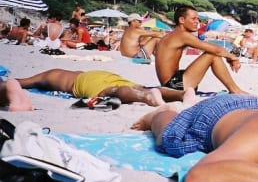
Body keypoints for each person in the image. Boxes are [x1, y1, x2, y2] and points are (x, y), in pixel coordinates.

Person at [155, 6, 247, 96]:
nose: (197, 22)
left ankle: (234, 89)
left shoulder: (173, 35)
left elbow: (211, 46)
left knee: (213, 53)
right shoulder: (182, 35)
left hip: (172, 82)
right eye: (193, 19)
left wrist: (228, 57)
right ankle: (235, 90)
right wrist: (233, 57)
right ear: (182, 20)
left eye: (198, 19)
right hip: (172, 86)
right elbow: (215, 50)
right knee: (212, 55)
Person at [1, 69, 192, 111]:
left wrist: (9, 81)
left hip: (86, 81)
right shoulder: (84, 72)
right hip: (109, 74)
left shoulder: (55, 75)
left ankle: (148, 97)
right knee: (137, 87)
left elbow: (23, 81)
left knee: (113, 91)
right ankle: (182, 94)